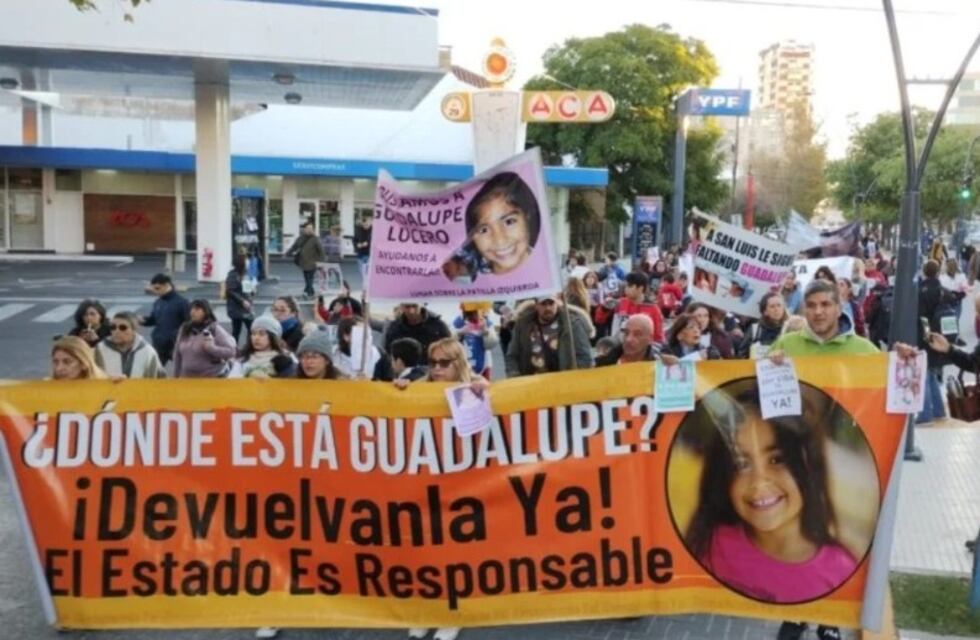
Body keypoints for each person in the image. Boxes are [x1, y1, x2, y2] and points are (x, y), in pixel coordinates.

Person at [765, 278, 879, 640]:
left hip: (844, 464)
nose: (817, 312)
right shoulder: (787, 344)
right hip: (797, 462)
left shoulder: (863, 349)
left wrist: (906, 362)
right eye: (811, 305)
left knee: (833, 538)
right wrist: (770, 367)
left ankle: (829, 618)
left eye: (825, 305)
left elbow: (890, 390)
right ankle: (798, 613)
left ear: (839, 305)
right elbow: (759, 391)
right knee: (801, 538)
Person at [684, 388, 857, 605]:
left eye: (777, 459)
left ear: (808, 465)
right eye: (741, 464)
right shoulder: (710, 544)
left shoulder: (841, 569)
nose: (759, 481)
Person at [394, 338, 490, 640]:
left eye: (444, 363)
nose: (436, 369)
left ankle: (454, 613)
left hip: (463, 479)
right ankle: (428, 609)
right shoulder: (417, 387)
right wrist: (395, 393)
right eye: (432, 363)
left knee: (456, 549)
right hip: (425, 479)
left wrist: (485, 390)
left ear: (458, 363)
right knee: (425, 548)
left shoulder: (474, 387)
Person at [455, 171, 540, 277]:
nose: (500, 240)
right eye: (483, 230)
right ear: (471, 238)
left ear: (527, 216)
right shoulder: (472, 281)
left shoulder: (548, 270)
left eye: (509, 222)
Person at [505, 295, 593, 377]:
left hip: (564, 383)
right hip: (532, 385)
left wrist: (575, 378)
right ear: (536, 305)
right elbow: (512, 355)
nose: (548, 308)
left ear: (557, 303)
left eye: (551, 303)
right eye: (543, 304)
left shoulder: (572, 324)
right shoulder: (523, 325)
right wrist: (514, 376)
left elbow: (584, 356)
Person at [173, 299, 237, 378]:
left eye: (197, 309)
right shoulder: (185, 329)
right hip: (188, 379)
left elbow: (231, 352)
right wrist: (175, 377)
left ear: (205, 312)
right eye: (191, 309)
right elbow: (177, 355)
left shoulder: (214, 328)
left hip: (211, 379)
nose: (193, 312)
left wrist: (212, 348)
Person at [594, 271, 665, 342]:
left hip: (642, 349)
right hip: (620, 346)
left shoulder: (653, 309)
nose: (626, 289)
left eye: (629, 286)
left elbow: (658, 336)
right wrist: (604, 308)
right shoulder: (620, 303)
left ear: (640, 288)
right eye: (625, 286)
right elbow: (599, 320)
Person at [95, 312, 166, 379]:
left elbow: (159, 378)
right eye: (113, 327)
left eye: (123, 328)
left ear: (134, 330)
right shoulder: (100, 349)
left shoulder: (147, 351)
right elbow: (91, 375)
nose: (117, 331)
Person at [140, 273, 190, 367]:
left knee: (182, 370)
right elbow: (154, 320)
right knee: (154, 371)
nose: (155, 291)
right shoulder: (158, 302)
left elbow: (189, 323)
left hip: (175, 344)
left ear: (167, 285)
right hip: (159, 344)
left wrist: (179, 336)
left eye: (158, 288)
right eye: (154, 288)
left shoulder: (182, 303)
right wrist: (143, 321)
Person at [333, 316, 392, 381]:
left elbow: (389, 382)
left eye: (368, 334)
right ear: (346, 336)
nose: (367, 338)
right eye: (361, 333)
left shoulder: (379, 355)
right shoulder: (333, 357)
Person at [452, 303, 498, 379]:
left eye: (478, 312)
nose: (475, 316)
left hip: (484, 365)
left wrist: (485, 332)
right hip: (462, 366)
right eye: (473, 313)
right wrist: (460, 332)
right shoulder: (458, 323)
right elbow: (448, 342)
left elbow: (491, 345)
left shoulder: (486, 323)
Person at [383, 303, 451, 354]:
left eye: (415, 306)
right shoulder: (394, 328)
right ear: (402, 307)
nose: (411, 311)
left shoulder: (437, 325)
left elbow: (451, 349)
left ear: (421, 305)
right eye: (407, 307)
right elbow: (387, 354)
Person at [737, 293, 788, 359]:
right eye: (772, 306)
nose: (776, 309)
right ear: (765, 311)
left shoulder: (791, 328)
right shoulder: (754, 330)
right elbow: (742, 355)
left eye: (779, 305)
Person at [595, 315, 660, 366]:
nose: (628, 339)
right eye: (626, 333)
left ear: (650, 339)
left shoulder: (659, 368)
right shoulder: (605, 363)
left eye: (637, 334)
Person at [287, 221, 326, 299]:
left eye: (311, 228)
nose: (309, 230)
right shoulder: (301, 238)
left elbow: (321, 251)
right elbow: (294, 246)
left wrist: (321, 262)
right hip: (303, 262)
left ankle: (307, 292)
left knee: (310, 278)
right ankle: (310, 291)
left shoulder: (315, 239)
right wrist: (288, 253)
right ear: (304, 229)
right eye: (308, 228)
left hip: (313, 263)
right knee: (306, 277)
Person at [225, 253, 255, 346]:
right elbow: (230, 291)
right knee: (237, 330)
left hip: (246, 308)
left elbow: (247, 288)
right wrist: (242, 301)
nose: (248, 262)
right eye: (246, 261)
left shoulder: (245, 274)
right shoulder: (233, 275)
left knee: (251, 329)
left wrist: (253, 290)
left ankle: (248, 347)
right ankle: (234, 349)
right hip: (237, 308)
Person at [939, 257, 970, 322]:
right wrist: (957, 295)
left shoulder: (942, 277)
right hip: (957, 301)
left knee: (947, 320)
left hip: (946, 302)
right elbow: (966, 290)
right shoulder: (961, 276)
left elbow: (940, 290)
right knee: (955, 319)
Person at [353, 214, 373, 283]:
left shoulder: (373, 231)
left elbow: (376, 241)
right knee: (362, 272)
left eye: (367, 224)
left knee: (368, 272)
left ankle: (368, 286)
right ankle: (365, 285)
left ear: (370, 223)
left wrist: (368, 243)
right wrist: (357, 245)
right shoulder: (359, 230)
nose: (365, 226)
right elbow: (355, 240)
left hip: (369, 254)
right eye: (364, 225)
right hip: (360, 254)